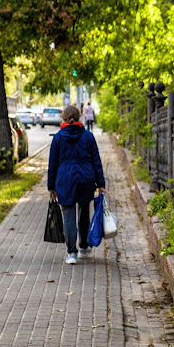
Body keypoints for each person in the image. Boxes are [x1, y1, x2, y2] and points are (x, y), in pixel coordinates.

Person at [48, 105, 106, 264]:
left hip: (65, 177)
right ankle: (83, 247)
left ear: (64, 119)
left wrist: (51, 187)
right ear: (80, 117)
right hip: (85, 177)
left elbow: (52, 164)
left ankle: (71, 253)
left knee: (68, 215)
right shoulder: (88, 136)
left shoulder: (58, 137)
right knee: (84, 212)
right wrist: (101, 183)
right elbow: (96, 161)